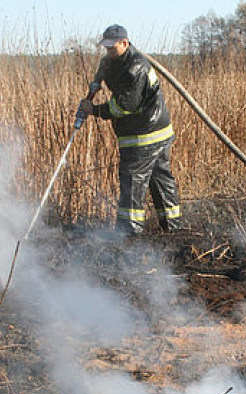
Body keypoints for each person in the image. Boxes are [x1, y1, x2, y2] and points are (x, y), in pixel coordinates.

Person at [78, 24, 182, 235]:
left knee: (133, 180)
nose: (108, 51)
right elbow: (103, 69)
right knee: (159, 178)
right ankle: (173, 228)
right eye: (105, 48)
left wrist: (94, 110)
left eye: (112, 47)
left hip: (144, 134)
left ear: (125, 43)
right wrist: (96, 82)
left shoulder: (137, 67)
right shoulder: (111, 60)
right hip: (156, 130)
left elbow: (124, 106)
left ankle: (128, 234)